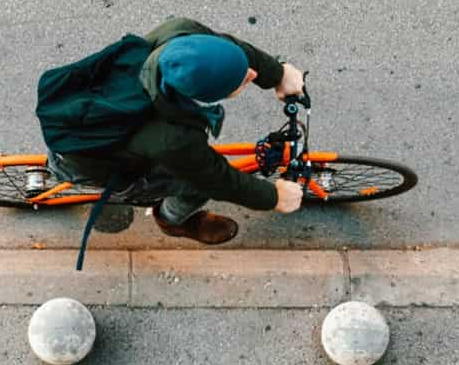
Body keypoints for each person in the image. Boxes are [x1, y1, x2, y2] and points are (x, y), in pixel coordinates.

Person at [46, 17, 305, 244]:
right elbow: (217, 179)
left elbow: (225, 49)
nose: (250, 74)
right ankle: (171, 220)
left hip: (85, 110)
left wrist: (277, 74)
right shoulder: (174, 139)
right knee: (195, 185)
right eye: (240, 80)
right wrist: (273, 197)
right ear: (208, 96)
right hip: (85, 161)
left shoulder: (180, 33)